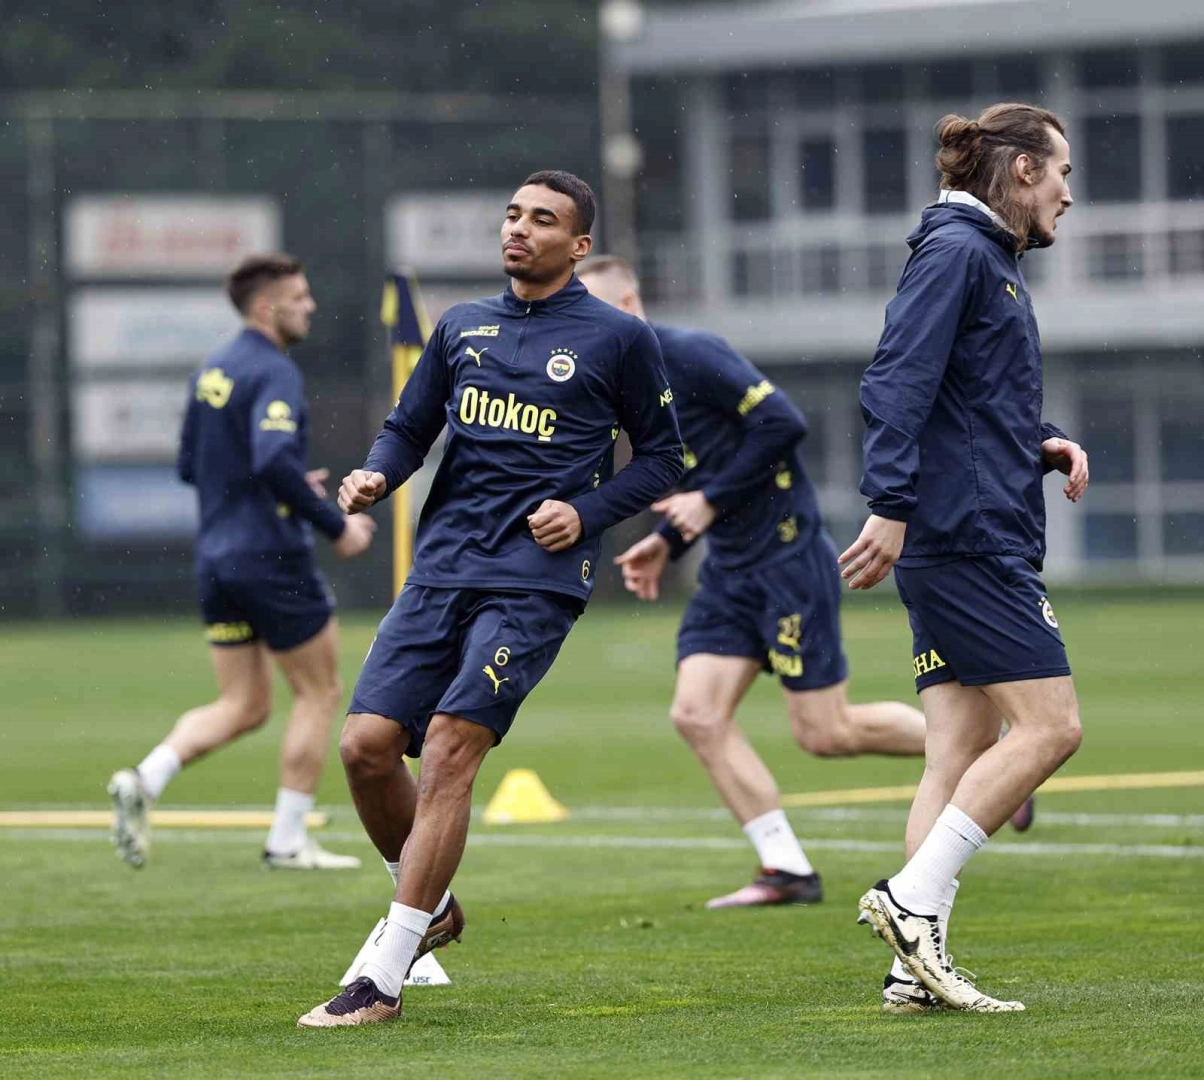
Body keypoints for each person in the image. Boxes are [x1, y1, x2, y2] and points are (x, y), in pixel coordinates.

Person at [296, 171, 683, 1027]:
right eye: (512, 214)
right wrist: (377, 475)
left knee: (448, 747)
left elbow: (664, 458)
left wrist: (585, 513)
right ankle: (431, 907)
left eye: (542, 219)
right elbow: (409, 428)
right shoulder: (461, 325)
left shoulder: (618, 337)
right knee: (364, 748)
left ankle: (382, 978)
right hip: (442, 567)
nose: (519, 228)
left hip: (534, 581)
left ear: (578, 246)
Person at [577, 256, 926, 911]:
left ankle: (980, 754)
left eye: (590, 310)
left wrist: (705, 502)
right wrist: (669, 541)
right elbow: (691, 470)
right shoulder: (621, 390)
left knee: (825, 734)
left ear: (627, 303)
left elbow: (783, 424)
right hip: (729, 571)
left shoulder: (692, 353)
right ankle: (786, 868)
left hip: (788, 559)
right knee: (696, 714)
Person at [841, 104, 1089, 1012]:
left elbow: (969, 399)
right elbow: (896, 381)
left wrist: (1040, 439)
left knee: (954, 752)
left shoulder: (986, 258)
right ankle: (910, 902)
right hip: (967, 536)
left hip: (962, 526)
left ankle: (910, 972)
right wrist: (891, 505)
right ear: (1022, 169)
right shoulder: (959, 253)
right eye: (1061, 172)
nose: (1068, 194)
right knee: (1053, 727)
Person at [107, 255, 375, 872]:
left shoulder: (214, 367)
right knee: (319, 691)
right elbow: (273, 458)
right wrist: (337, 525)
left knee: (246, 704)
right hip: (270, 557)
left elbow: (190, 466)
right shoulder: (274, 370)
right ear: (265, 307)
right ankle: (288, 840)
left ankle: (143, 780)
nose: (310, 306)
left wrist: (273, 484)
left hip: (217, 558)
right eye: (299, 297)